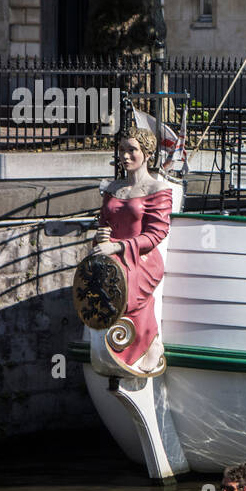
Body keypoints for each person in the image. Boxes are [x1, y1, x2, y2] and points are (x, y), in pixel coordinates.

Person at [90, 127, 175, 376]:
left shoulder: (157, 189)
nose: (125, 156)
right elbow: (103, 224)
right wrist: (100, 237)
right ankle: (111, 345)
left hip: (141, 258)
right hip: (113, 253)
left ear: (147, 153)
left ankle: (150, 341)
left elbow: (156, 233)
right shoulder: (113, 189)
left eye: (132, 150)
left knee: (123, 286)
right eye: (122, 151)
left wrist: (118, 246)